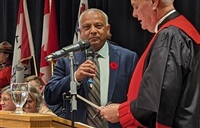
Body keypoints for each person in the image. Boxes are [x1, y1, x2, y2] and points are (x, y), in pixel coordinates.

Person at [100, 0, 200, 127]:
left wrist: (120, 112)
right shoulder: (183, 33)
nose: (134, 14)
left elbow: (156, 100)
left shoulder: (169, 36)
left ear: (153, 2)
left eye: (136, 7)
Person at [44, 8, 138, 127]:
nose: (93, 31)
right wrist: (75, 78)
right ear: (80, 31)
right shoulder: (67, 60)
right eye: (87, 27)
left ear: (107, 29)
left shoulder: (128, 58)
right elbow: (49, 95)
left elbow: (137, 97)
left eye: (98, 26)